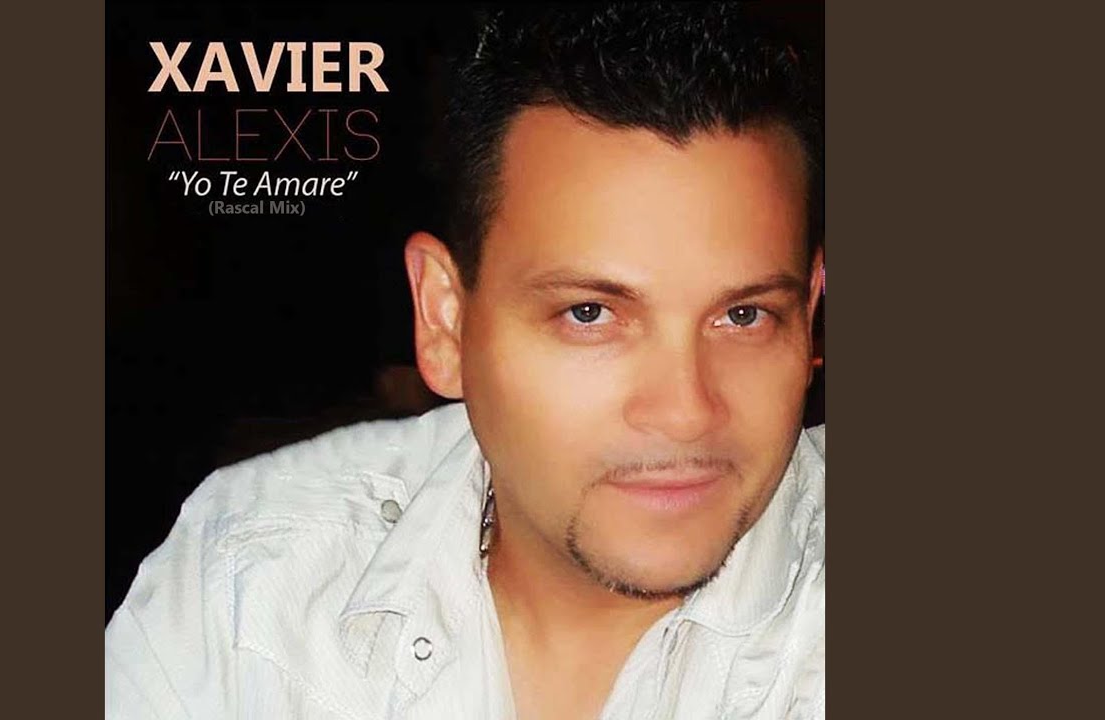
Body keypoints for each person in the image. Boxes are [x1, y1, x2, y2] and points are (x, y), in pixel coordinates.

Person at [105, 3, 826, 718]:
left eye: (743, 316)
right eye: (589, 314)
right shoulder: (248, 584)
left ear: (811, 312)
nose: (686, 410)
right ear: (446, 321)